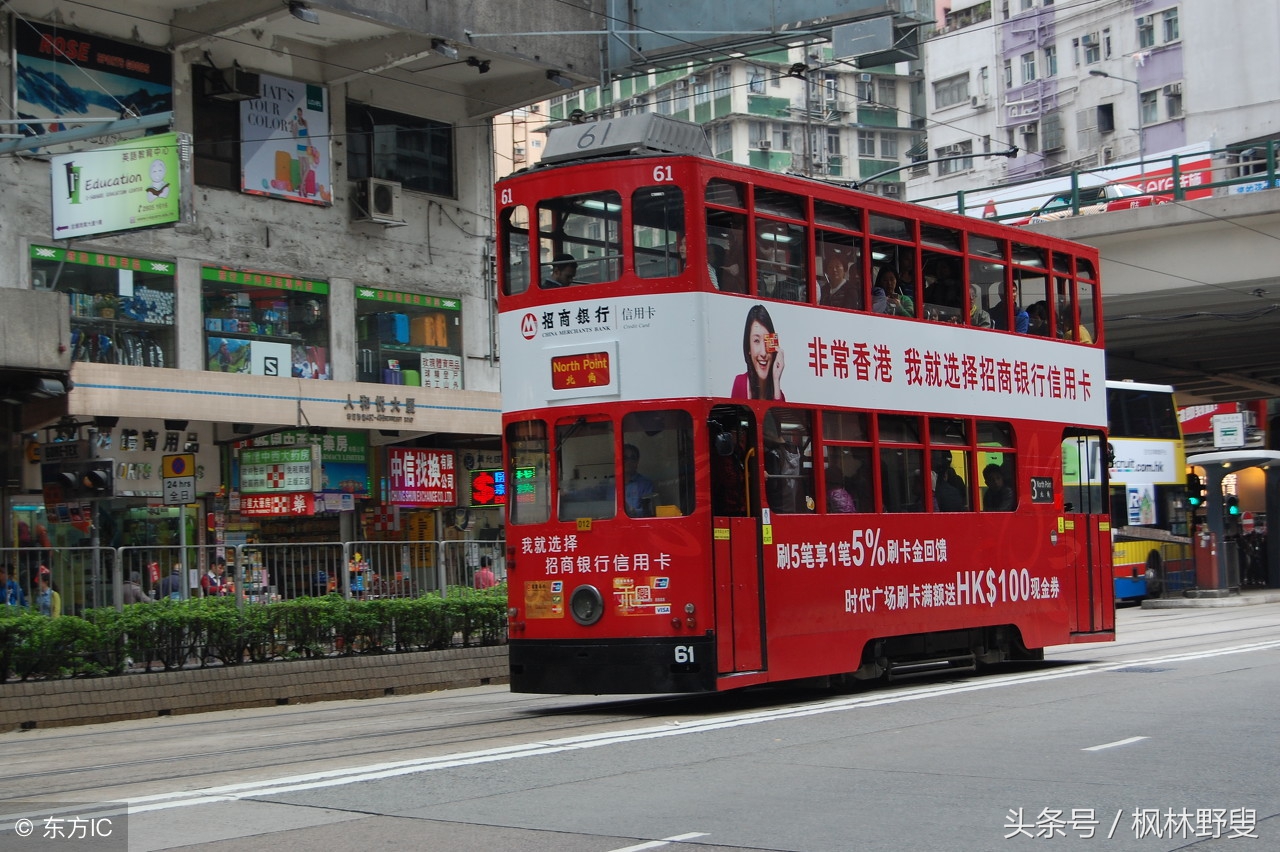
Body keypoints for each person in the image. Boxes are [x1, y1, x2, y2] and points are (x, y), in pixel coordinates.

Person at [731, 304, 785, 400]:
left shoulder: (778, 395)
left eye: (767, 341)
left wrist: (776, 379)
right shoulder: (740, 383)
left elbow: (779, 414)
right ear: (749, 348)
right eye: (756, 341)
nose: (763, 353)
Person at [622, 443, 658, 517]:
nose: (629, 461)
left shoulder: (646, 484)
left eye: (633, 458)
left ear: (637, 461)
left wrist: (631, 511)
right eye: (625, 458)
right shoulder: (608, 484)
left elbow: (649, 512)